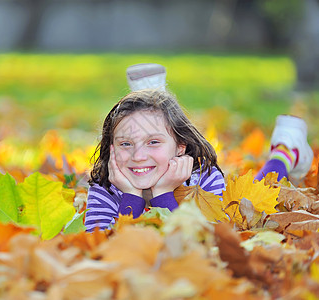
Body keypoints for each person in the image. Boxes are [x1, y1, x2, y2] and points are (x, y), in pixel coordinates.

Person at [84, 63, 225, 232]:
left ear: (181, 146)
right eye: (126, 144)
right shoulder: (106, 187)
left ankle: (153, 93)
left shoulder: (204, 180)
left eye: (153, 142)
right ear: (112, 147)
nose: (138, 156)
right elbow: (103, 250)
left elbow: (203, 246)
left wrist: (163, 195)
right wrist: (131, 198)